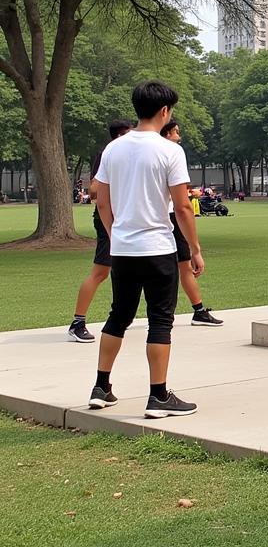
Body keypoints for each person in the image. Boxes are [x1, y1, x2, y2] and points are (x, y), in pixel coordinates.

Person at [88, 81, 204, 418]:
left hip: (122, 249)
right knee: (160, 320)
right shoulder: (170, 151)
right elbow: (182, 207)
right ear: (165, 111)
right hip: (157, 248)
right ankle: (158, 395)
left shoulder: (114, 149)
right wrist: (195, 249)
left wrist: (115, 234)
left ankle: (101, 386)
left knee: (118, 316)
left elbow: (102, 201)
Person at [68, 119, 133, 343]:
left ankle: (122, 315)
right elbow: (94, 191)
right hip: (109, 221)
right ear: (120, 135)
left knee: (123, 271)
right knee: (100, 272)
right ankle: (77, 322)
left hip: (122, 218)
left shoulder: (121, 154)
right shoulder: (108, 154)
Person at [160, 120, 222, 326]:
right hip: (170, 216)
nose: (180, 135)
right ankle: (181, 311)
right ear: (167, 133)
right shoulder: (172, 152)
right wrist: (197, 249)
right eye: (177, 131)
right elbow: (180, 202)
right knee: (178, 266)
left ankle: (198, 310)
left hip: (164, 216)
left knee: (182, 265)